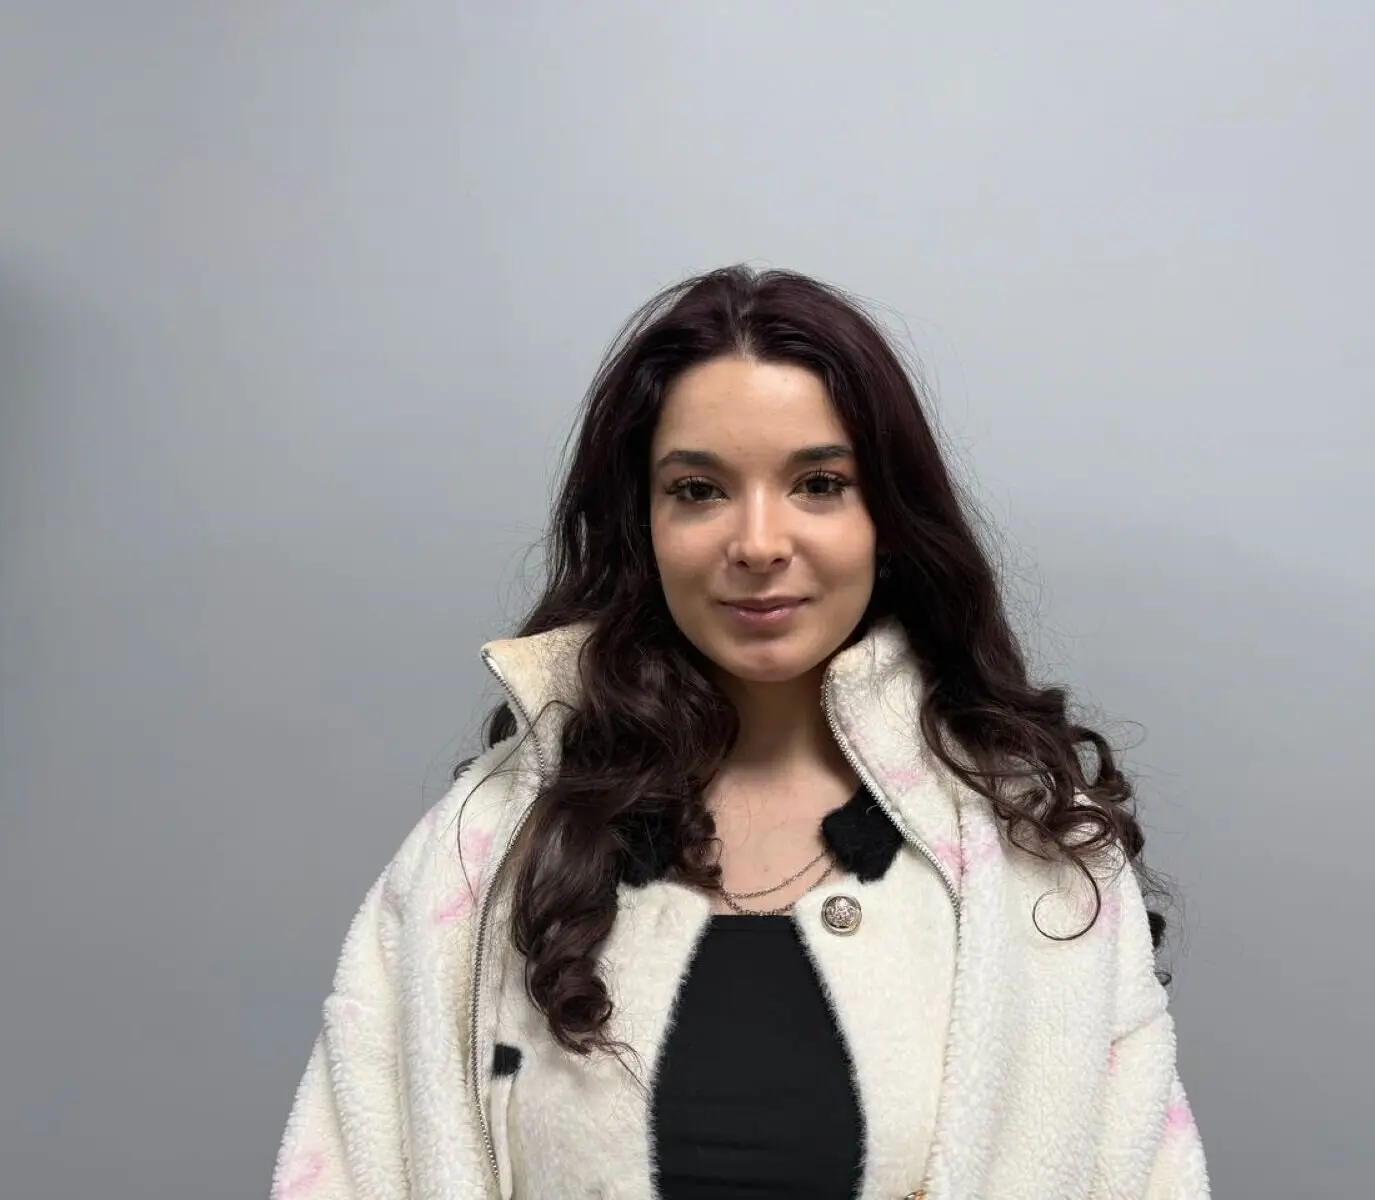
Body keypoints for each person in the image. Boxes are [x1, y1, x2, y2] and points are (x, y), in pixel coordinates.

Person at [271, 265, 1210, 1199]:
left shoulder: (1034, 854)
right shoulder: (483, 850)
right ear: (643, 523)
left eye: (819, 483)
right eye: (698, 490)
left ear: (887, 518)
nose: (758, 543)